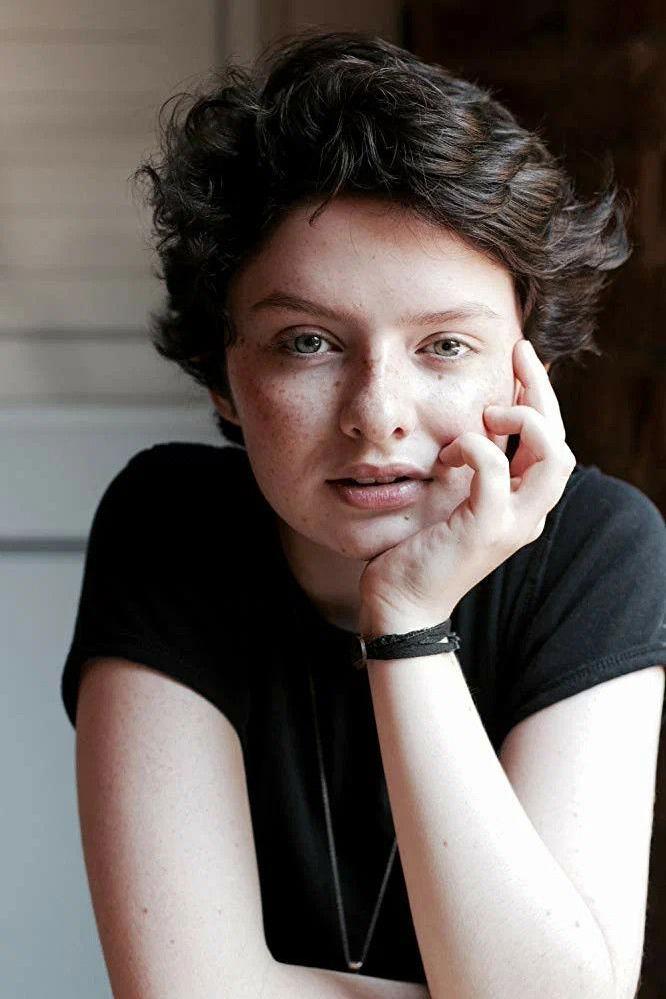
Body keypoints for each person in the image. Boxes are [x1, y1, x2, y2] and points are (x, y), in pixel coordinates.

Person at [61, 28, 666, 999]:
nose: (377, 415)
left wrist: (410, 620)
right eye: (307, 341)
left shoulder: (600, 547)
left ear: (529, 369)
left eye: (445, 346)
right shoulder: (170, 524)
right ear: (221, 371)